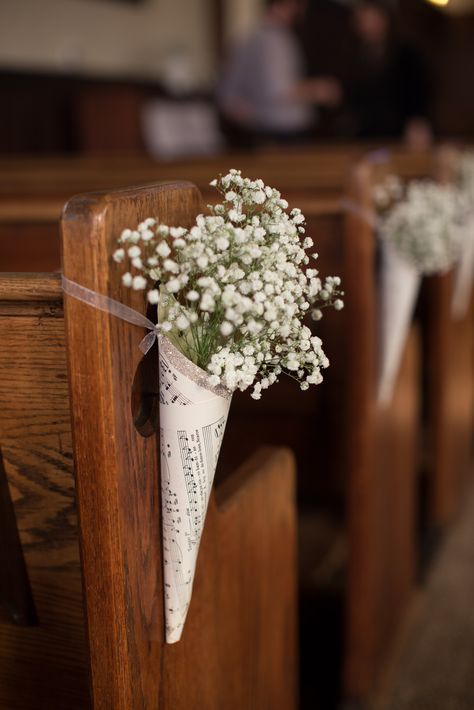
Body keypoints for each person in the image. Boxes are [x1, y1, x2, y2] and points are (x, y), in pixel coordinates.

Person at [218, 0, 342, 147]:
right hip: (282, 131)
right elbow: (280, 89)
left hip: (263, 130)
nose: (299, 11)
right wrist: (319, 90)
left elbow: (227, 95)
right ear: (280, 6)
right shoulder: (275, 39)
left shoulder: (249, 37)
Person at [342, 0, 432, 148]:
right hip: (366, 135)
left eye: (372, 21)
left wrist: (417, 119)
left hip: (399, 133)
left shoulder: (406, 54)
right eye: (362, 21)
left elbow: (420, 90)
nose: (366, 27)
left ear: (385, 20)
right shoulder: (353, 55)